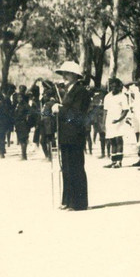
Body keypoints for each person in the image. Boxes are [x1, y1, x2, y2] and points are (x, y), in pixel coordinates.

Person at [53, 61, 91, 211]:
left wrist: (60, 109)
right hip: (66, 135)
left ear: (75, 75)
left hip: (75, 135)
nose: (64, 76)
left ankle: (79, 203)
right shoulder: (68, 92)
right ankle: (68, 201)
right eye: (63, 73)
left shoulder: (80, 91)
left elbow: (77, 113)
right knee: (67, 168)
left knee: (76, 167)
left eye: (67, 73)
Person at [103, 77, 129, 168]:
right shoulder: (107, 97)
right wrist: (103, 123)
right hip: (109, 121)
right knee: (112, 141)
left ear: (118, 87)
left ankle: (119, 161)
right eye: (112, 86)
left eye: (115, 86)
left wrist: (119, 120)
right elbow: (105, 111)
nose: (113, 88)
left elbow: (125, 110)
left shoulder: (122, 96)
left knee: (118, 140)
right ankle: (113, 161)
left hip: (119, 121)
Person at [12, 92, 39, 160]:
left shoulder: (25, 105)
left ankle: (24, 156)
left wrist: (27, 118)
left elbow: (32, 112)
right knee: (21, 140)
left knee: (23, 139)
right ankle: (23, 155)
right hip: (18, 124)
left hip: (23, 124)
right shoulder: (17, 105)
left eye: (20, 97)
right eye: (18, 97)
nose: (19, 99)